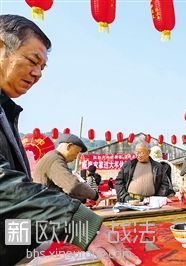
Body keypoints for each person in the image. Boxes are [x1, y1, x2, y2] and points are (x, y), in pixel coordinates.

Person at [0, 15, 141, 265]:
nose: (37, 74)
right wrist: (80, 225)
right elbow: (5, 189)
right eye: (33, 61)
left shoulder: (5, 111)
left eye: (42, 68)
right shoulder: (54, 159)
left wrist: (35, 248)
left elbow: (11, 212)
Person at [33, 134, 99, 201]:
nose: (76, 157)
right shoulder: (55, 160)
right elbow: (73, 186)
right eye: (76, 153)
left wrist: (84, 199)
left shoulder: (52, 156)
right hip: (47, 205)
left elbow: (64, 188)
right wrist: (95, 196)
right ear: (69, 146)